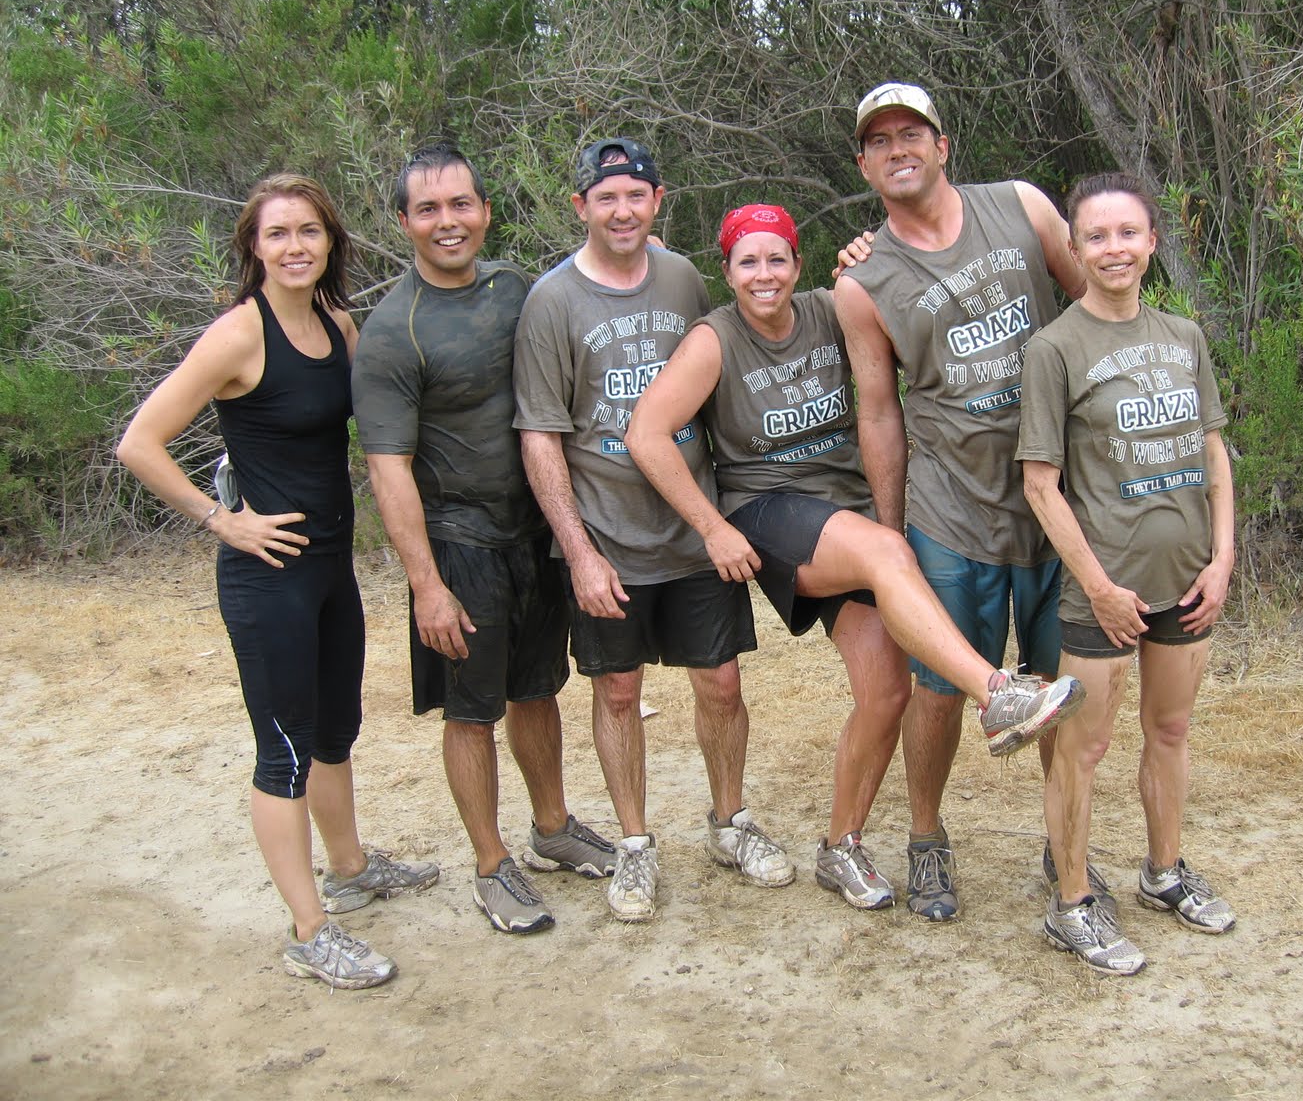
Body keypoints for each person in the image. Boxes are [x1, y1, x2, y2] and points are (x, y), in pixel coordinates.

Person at [626, 203, 1082, 910]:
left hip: (847, 511)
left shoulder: (826, 309)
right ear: (727, 272)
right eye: (748, 261)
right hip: (770, 511)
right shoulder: (714, 341)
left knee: (887, 693)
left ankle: (841, 846)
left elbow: (886, 321)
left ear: (799, 264)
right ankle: (997, 694)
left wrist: (872, 256)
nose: (764, 273)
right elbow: (646, 433)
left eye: (778, 258)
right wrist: (711, 527)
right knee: (887, 549)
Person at [116, 174, 437, 990]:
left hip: (330, 567)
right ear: (253, 248)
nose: (295, 246)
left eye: (309, 232)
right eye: (277, 234)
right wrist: (220, 518)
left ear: (330, 241)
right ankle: (308, 929)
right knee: (285, 751)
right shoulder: (238, 336)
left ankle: (352, 869)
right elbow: (140, 443)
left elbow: (384, 419)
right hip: (269, 580)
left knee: (336, 731)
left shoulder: (338, 325)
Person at [515, 140, 797, 924]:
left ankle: (729, 822)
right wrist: (576, 552)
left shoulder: (680, 278)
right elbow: (541, 435)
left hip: (692, 532)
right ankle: (635, 846)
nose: (622, 211)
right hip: (608, 539)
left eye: (635, 195)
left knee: (723, 684)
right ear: (580, 207)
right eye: (605, 198)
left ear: (658, 199)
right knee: (617, 693)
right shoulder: (551, 302)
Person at [833, 82, 1089, 921]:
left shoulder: (1020, 207)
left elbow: (1097, 305)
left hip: (1058, 497)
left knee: (1058, 684)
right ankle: (926, 837)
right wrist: (889, 530)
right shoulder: (862, 283)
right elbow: (878, 409)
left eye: (914, 132)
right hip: (953, 508)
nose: (899, 148)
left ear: (944, 146)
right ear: (865, 164)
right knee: (940, 690)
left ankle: (1067, 850)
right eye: (880, 140)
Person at [352, 143, 616, 937]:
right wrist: (427, 584)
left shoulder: (515, 290)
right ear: (403, 222)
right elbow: (388, 472)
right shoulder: (393, 333)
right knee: (472, 712)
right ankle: (492, 865)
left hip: (534, 531)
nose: (447, 222)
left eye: (460, 204)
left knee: (537, 691)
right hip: (459, 543)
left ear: (485, 211)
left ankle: (552, 828)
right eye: (428, 209)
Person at [1018, 171, 1237, 975]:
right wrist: (1100, 588)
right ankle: (1071, 902)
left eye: (1128, 234)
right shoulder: (1055, 349)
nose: (1114, 249)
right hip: (1099, 591)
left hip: (1185, 579)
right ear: (1073, 248)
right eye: (1096, 236)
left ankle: (1163, 873)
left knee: (1171, 729)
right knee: (1084, 748)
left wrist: (1223, 559)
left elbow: (1212, 447)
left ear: (1152, 242)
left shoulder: (1184, 338)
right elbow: (1040, 482)